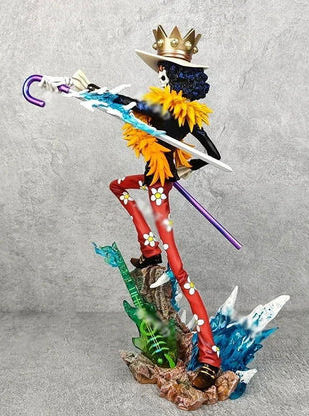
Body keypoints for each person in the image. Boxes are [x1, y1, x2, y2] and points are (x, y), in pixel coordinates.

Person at [41, 25, 222, 390]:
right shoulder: (172, 111)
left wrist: (91, 90)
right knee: (118, 186)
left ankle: (210, 358)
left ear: (176, 76)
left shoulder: (169, 110)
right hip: (152, 181)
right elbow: (209, 151)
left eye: (164, 71)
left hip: (159, 193)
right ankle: (149, 249)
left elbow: (130, 105)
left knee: (180, 273)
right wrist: (85, 91)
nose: (160, 75)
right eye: (160, 70)